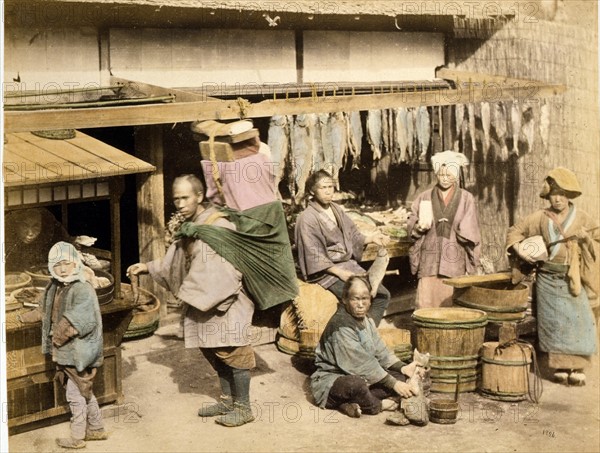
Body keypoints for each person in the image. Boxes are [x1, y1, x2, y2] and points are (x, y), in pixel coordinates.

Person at [127, 174, 256, 427]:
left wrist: (190, 293)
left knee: (233, 350)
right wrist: (149, 267)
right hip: (203, 299)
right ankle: (228, 399)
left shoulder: (218, 226)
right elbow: (176, 259)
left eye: (186, 197)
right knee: (211, 349)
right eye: (176, 199)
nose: (180, 204)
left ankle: (244, 407)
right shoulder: (192, 225)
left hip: (225, 299)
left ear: (199, 196)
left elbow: (224, 270)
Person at [506, 167, 598, 386]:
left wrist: (586, 241)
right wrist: (521, 250)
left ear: (570, 195)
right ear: (548, 196)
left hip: (571, 278)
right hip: (547, 278)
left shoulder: (582, 217)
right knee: (554, 323)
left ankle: (577, 367)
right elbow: (514, 232)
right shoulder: (539, 217)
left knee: (579, 321)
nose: (558, 199)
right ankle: (559, 366)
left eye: (563, 193)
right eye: (553, 194)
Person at [19, 241, 107, 449]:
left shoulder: (83, 288)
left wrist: (56, 335)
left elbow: (78, 320)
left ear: (76, 263)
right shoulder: (54, 285)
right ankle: (96, 429)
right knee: (84, 390)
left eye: (66, 263)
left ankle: (77, 437)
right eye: (57, 264)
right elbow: (43, 309)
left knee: (74, 395)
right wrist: (24, 317)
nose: (62, 268)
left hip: (80, 352)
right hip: (67, 352)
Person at [310, 275, 417, 418]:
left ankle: (350, 404)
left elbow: (381, 351)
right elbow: (360, 363)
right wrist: (393, 384)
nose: (360, 304)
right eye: (355, 299)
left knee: (400, 376)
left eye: (364, 299)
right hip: (334, 379)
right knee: (356, 384)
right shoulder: (340, 326)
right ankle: (376, 405)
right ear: (345, 300)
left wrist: (402, 367)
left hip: (363, 375)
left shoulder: (366, 320)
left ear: (370, 300)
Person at [294, 169, 391, 327]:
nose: (328, 191)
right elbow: (313, 253)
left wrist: (371, 238)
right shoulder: (307, 218)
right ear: (312, 191)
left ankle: (368, 331)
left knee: (382, 295)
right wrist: (340, 273)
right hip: (325, 270)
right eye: (323, 188)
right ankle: (355, 334)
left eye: (330, 187)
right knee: (358, 298)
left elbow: (352, 234)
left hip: (346, 264)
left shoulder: (336, 209)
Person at [407, 150, 481, 308]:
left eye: (449, 175)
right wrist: (418, 227)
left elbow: (471, 230)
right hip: (429, 255)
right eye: (441, 175)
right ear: (436, 173)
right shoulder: (424, 197)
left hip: (454, 256)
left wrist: (462, 232)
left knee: (450, 302)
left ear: (456, 175)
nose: (445, 179)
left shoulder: (466, 198)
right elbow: (412, 219)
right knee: (426, 302)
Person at [4, 208, 74, 272]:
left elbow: (67, 245)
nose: (30, 233)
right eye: (25, 226)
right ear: (16, 226)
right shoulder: (5, 238)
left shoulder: (51, 229)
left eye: (36, 226)